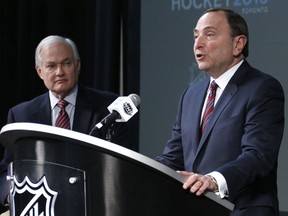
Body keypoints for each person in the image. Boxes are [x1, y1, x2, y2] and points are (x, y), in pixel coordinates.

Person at [155, 8, 284, 216]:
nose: (198, 44)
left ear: (238, 44)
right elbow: (173, 157)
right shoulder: (191, 94)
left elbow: (258, 155)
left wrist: (214, 180)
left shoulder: (262, 88)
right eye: (196, 36)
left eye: (209, 34)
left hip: (241, 210)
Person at [0, 35, 131, 206]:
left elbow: (121, 167)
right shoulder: (22, 115)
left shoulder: (109, 108)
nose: (59, 72)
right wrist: (12, 196)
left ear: (78, 66)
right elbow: (8, 170)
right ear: (40, 71)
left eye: (66, 63)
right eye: (51, 66)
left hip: (93, 204)